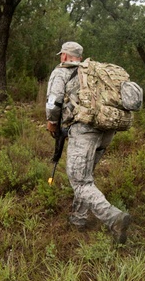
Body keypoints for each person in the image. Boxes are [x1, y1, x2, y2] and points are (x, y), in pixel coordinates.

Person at [45, 41, 131, 244]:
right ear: (80, 57)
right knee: (85, 176)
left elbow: (54, 101)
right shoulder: (93, 71)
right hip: (107, 129)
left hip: (85, 130)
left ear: (65, 56)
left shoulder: (61, 72)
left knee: (79, 181)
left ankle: (114, 218)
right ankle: (78, 218)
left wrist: (51, 122)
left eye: (61, 55)